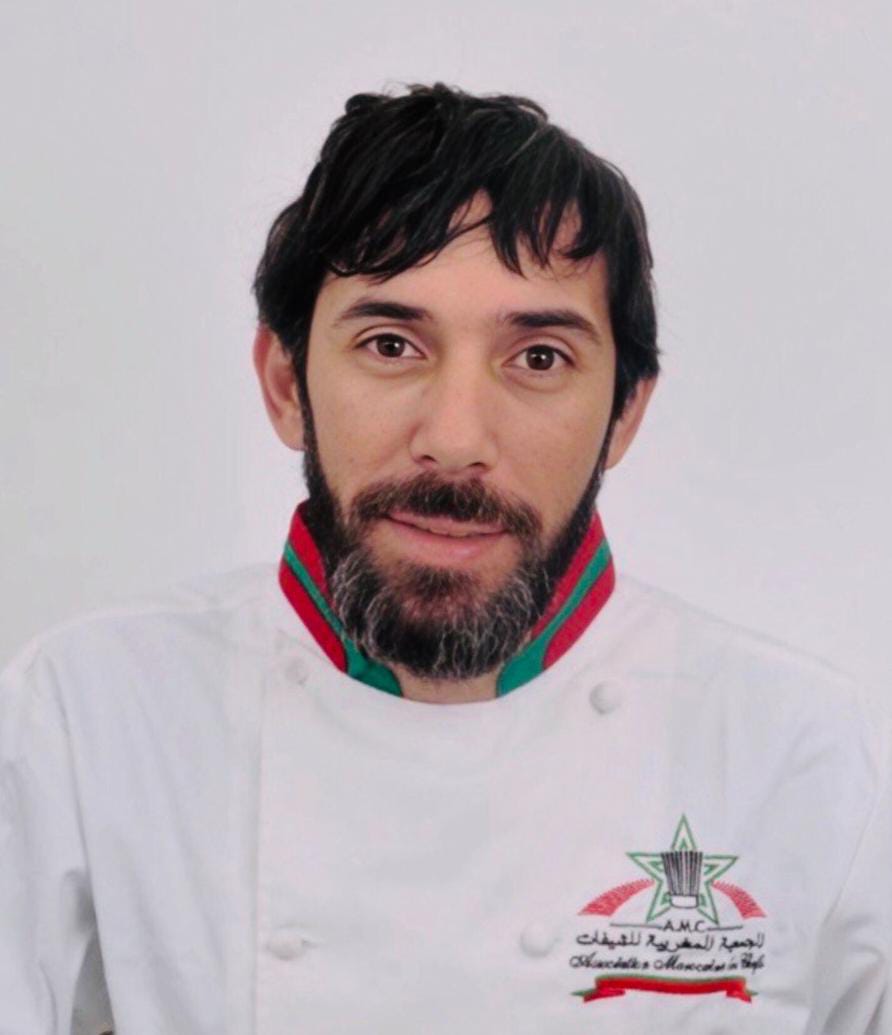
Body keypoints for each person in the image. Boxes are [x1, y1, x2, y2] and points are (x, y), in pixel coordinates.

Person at [1, 83, 888, 1035]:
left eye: (538, 357)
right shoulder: (89, 714)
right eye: (391, 344)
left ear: (624, 414)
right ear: (287, 382)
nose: (456, 439)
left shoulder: (803, 755)